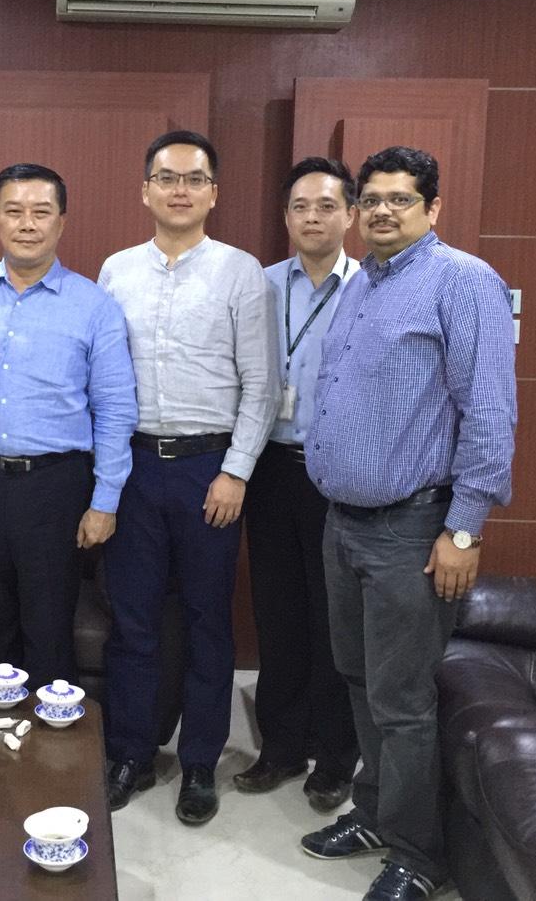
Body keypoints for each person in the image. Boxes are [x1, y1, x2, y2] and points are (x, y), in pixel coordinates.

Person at [299, 146, 516, 901]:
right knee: (360, 680)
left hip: (411, 528)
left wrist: (463, 530)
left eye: (401, 199)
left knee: (403, 700)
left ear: (433, 208)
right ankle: (375, 815)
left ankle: (418, 858)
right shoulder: (361, 285)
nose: (383, 211)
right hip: (344, 522)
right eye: (373, 200)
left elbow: (488, 410)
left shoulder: (462, 282)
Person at [98, 130, 278, 826]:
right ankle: (131, 753)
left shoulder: (241, 272)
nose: (179, 189)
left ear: (213, 193)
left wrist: (235, 473)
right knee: (133, 621)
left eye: (194, 179)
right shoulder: (116, 270)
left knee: (208, 622)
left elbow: (260, 385)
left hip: (211, 470)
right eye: (166, 178)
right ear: (144, 190)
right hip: (135, 466)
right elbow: (105, 382)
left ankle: (200, 760)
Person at [0, 164, 136, 688]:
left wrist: (105, 500)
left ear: (61, 222)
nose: (27, 224)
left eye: (41, 212)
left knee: (49, 622)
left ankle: (49, 755)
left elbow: (115, 410)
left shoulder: (95, 307)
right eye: (14, 211)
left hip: (57, 485)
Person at [234, 157, 360, 813]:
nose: (313, 217)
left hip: (336, 474)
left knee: (333, 617)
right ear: (286, 218)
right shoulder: (259, 285)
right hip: (269, 468)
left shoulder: (370, 288)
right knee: (278, 611)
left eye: (327, 205)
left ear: (350, 214)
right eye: (301, 207)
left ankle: (335, 758)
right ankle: (280, 748)